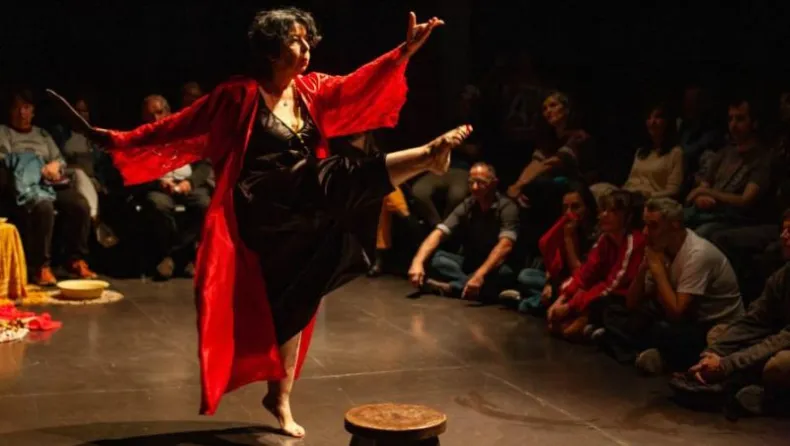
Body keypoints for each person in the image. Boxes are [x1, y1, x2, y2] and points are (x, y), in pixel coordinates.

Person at [49, 8, 464, 438]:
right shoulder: (238, 95)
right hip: (261, 202)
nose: (305, 48)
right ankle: (425, 156)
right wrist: (111, 138)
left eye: (307, 40)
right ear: (271, 50)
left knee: (300, 294)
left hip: (302, 210)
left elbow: (357, 85)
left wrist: (402, 53)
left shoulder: (311, 90)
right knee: (333, 174)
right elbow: (178, 126)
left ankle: (279, 397)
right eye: (295, 40)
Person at [682, 209, 790, 416]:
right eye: (784, 230)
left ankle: (768, 400)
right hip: (775, 338)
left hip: (784, 345)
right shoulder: (783, 275)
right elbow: (755, 319)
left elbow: (784, 339)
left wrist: (726, 364)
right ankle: (731, 383)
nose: (783, 237)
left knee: (780, 365)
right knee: (719, 334)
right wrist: (715, 352)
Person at [620, 198, 743, 374]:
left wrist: (658, 270)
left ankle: (662, 359)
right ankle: (652, 354)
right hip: (685, 318)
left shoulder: (697, 254)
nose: (645, 232)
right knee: (625, 315)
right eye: (645, 225)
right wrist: (642, 270)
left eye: (653, 226)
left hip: (713, 324)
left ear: (674, 225)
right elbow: (631, 303)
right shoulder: (661, 247)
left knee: (665, 331)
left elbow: (677, 312)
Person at [408, 162, 519, 300]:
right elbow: (439, 233)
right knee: (434, 258)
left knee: (506, 274)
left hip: (496, 265)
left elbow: (505, 245)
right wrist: (417, 262)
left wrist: (480, 274)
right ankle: (473, 286)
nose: (474, 187)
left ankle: (454, 287)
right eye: (471, 182)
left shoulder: (507, 207)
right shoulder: (468, 205)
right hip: (471, 262)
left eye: (481, 182)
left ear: (494, 183)